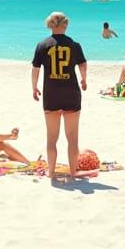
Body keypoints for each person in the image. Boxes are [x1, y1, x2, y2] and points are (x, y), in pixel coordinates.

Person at [31, 12, 88, 179]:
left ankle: (51, 172)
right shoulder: (74, 44)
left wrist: (34, 88)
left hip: (51, 94)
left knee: (51, 138)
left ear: (50, 25)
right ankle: (72, 172)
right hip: (71, 93)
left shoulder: (42, 45)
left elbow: (35, 70)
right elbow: (83, 65)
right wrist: (84, 80)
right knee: (72, 138)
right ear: (66, 25)